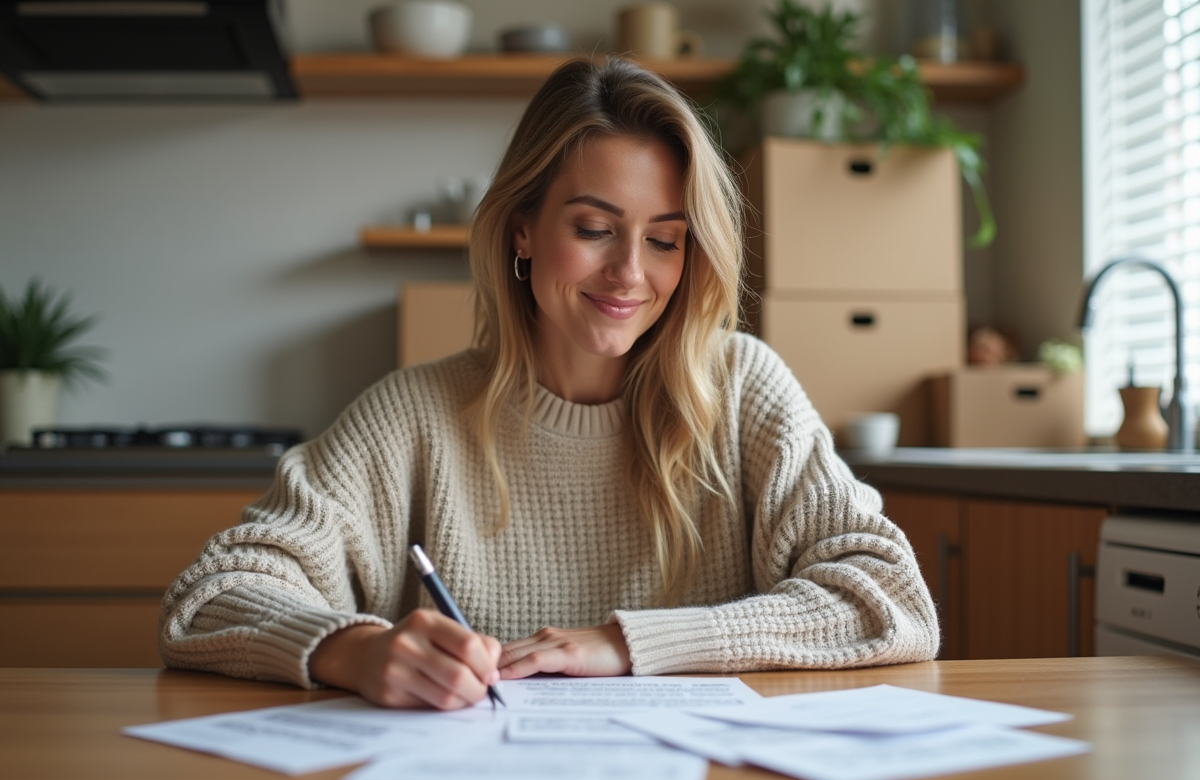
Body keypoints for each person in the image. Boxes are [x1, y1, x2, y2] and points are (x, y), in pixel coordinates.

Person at [159, 57, 939, 710]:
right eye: (595, 229)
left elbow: (889, 598)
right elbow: (212, 595)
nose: (631, 274)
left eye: (665, 240)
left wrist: (629, 645)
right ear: (523, 229)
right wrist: (354, 649)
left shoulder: (743, 389)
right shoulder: (412, 416)